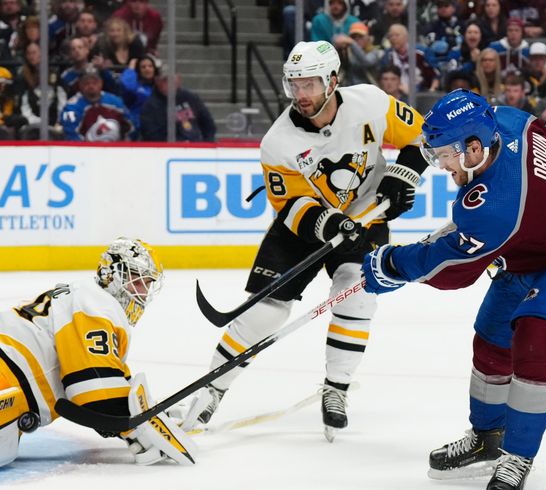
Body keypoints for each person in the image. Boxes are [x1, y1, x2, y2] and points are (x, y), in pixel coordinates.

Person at [359, 89, 546, 490]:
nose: (441, 166)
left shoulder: (493, 209)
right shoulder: (508, 120)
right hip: (534, 248)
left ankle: (517, 455)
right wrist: (530, 222)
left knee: (536, 339)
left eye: (445, 156)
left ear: (473, 147)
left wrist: (391, 264)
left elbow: (450, 269)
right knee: (492, 336)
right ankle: (487, 437)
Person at [176, 41, 428, 442]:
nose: (301, 95)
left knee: (356, 292)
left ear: (333, 79)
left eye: (309, 83)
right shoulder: (278, 142)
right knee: (265, 314)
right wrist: (331, 226)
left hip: (365, 213)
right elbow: (292, 207)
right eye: (294, 85)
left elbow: (424, 136)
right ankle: (211, 390)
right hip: (304, 226)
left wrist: (404, 174)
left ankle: (336, 390)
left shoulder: (370, 103)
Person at [0, 238, 198, 469]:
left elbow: (110, 385)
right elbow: (94, 393)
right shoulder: (96, 303)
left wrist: (148, 409)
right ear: (111, 274)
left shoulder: (84, 296)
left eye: (148, 283)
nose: (143, 293)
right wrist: (140, 426)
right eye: (138, 281)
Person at [139, 66, 215, 142]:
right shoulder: (150, 107)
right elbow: (151, 135)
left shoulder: (191, 98)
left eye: (172, 79)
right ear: (157, 81)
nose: (169, 83)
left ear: (178, 79)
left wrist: (206, 144)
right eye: (165, 80)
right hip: (167, 150)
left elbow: (208, 124)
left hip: (196, 147)